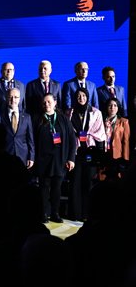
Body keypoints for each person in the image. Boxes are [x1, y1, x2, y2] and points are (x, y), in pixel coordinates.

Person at [32, 93, 76, 223]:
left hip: (60, 159)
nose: (46, 105)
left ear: (55, 103)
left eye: (49, 102)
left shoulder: (63, 119)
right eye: (44, 102)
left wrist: (71, 158)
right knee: (43, 188)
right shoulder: (37, 119)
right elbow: (32, 140)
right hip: (43, 159)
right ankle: (43, 213)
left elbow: (72, 139)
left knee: (57, 188)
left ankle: (55, 213)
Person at [66, 88, 106, 221]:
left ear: (88, 97)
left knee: (88, 183)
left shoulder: (96, 113)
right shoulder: (69, 112)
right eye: (78, 95)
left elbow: (100, 133)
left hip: (90, 152)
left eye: (84, 95)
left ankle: (87, 214)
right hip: (76, 152)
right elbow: (68, 132)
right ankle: (75, 214)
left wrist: (99, 155)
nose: (81, 98)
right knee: (75, 183)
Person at [0, 87, 34, 169]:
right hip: (5, 155)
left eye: (16, 97)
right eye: (10, 97)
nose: (13, 100)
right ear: (6, 98)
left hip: (22, 155)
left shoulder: (27, 117)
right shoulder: (0, 115)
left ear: (20, 99)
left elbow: (30, 139)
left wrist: (31, 157)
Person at [100, 97, 130, 180]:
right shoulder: (101, 120)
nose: (112, 107)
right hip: (103, 154)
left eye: (115, 105)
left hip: (116, 156)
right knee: (102, 180)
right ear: (106, 107)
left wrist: (125, 160)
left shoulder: (124, 121)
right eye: (110, 105)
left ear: (118, 107)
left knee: (114, 180)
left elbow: (126, 142)